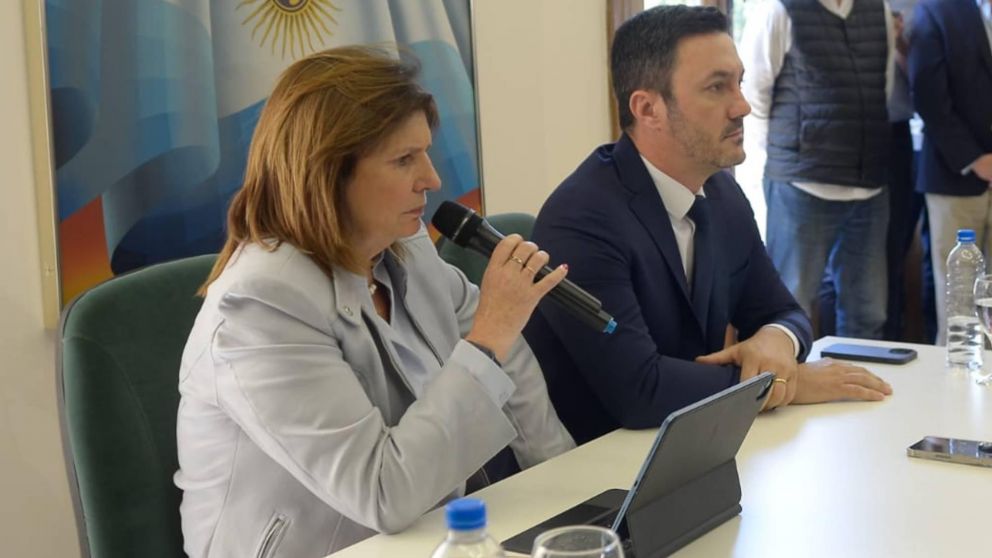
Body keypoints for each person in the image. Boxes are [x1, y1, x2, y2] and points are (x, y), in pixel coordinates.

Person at [174, 46, 575, 557]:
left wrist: (566, 483)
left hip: (420, 539)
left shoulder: (402, 250)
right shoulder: (260, 306)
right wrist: (490, 336)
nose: (431, 179)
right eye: (404, 159)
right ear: (327, 172)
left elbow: (509, 363)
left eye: (425, 152)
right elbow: (383, 493)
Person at [523, 6, 892, 445]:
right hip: (594, 473)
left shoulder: (721, 195)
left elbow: (782, 311)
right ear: (648, 109)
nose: (743, 105)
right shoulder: (581, 218)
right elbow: (639, 390)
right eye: (717, 88)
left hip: (694, 450)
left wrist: (777, 341)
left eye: (737, 82)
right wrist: (780, 387)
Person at [739, 0, 896, 340]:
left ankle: (861, 389)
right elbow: (752, 95)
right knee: (787, 310)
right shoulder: (778, 8)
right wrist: (788, 157)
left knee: (869, 313)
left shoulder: (877, 9)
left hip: (869, 187)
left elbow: (883, 87)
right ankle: (784, 390)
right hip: (800, 188)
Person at [908, 0, 992, 344]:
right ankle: (957, 388)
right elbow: (928, 97)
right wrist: (974, 158)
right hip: (954, 176)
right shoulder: (936, 10)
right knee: (959, 299)